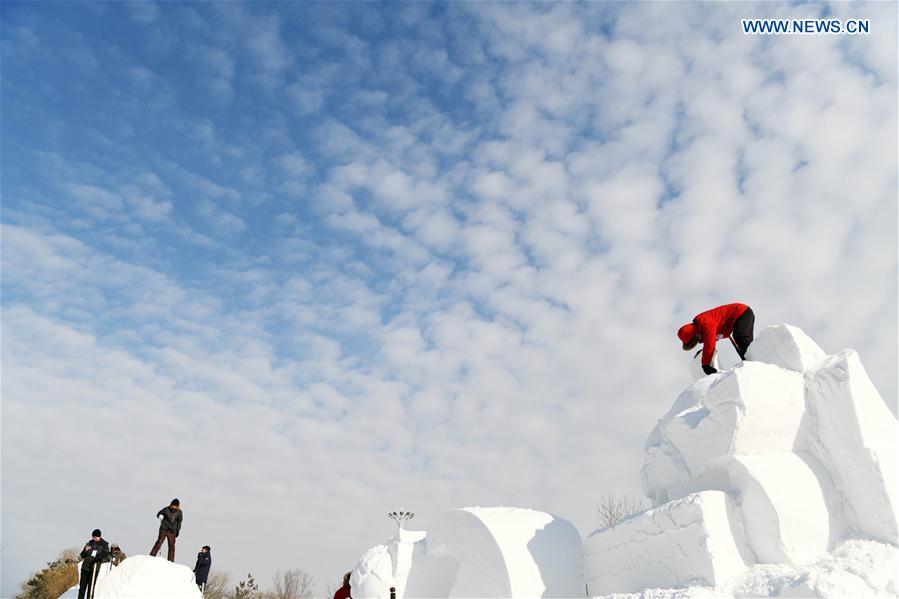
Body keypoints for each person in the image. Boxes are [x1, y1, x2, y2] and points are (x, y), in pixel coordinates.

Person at [677, 303, 755, 375]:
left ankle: (752, 362)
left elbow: (709, 344)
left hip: (742, 312)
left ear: (695, 335)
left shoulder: (705, 323)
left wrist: (705, 364)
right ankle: (752, 361)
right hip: (738, 318)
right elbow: (712, 339)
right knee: (746, 346)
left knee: (740, 338)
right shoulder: (704, 329)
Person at [78, 529, 109, 599]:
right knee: (82, 587)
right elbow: (82, 555)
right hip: (85, 568)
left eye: (96, 537)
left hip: (94, 568)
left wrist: (97, 559)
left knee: (91, 587)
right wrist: (85, 550)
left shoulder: (104, 544)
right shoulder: (89, 543)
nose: (94, 538)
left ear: (100, 536)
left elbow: (105, 554)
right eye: (93, 537)